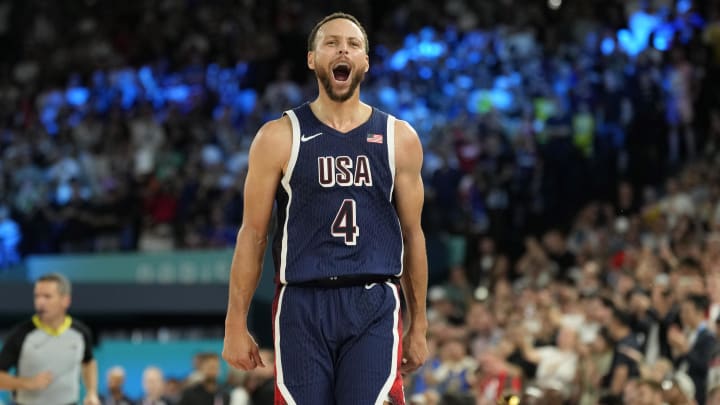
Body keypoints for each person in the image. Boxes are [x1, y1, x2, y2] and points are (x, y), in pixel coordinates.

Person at [222, 11, 429, 404]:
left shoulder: (398, 138)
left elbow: (413, 235)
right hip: (301, 302)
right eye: (331, 43)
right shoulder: (278, 136)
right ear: (312, 59)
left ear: (365, 62)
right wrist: (235, 320)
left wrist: (419, 323)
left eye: (353, 45)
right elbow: (253, 234)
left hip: (373, 300)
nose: (343, 50)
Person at [0, 272, 100, 405]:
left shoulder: (80, 333)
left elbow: (88, 362)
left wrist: (91, 392)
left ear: (65, 300)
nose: (40, 302)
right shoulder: (21, 334)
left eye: (47, 297)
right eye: (37, 296)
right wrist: (27, 383)